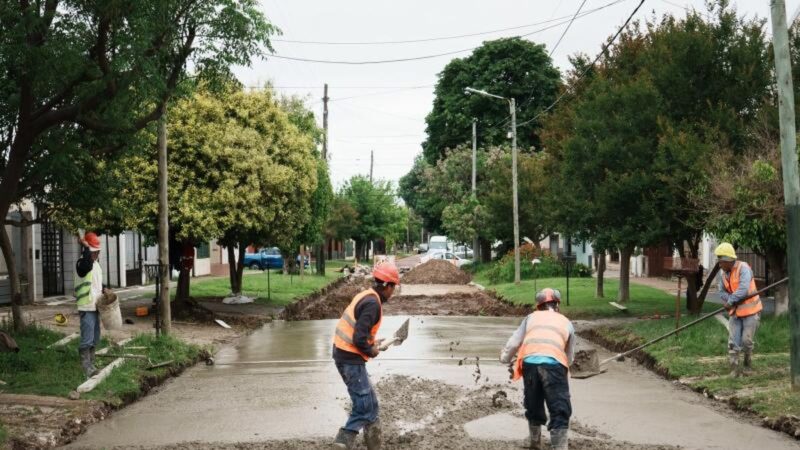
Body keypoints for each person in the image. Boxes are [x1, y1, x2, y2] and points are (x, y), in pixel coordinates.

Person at [331, 262, 400, 450]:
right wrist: (372, 350)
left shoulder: (367, 296)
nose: (393, 292)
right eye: (393, 287)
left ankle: (374, 445)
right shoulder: (372, 304)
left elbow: (361, 333)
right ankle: (343, 441)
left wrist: (374, 343)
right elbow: (359, 339)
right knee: (363, 406)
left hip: (345, 354)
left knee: (371, 403)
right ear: (387, 286)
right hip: (350, 359)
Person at [500, 288, 575, 450]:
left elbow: (514, 343)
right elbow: (569, 356)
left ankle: (535, 443)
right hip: (555, 365)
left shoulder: (530, 318)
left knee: (533, 403)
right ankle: (559, 447)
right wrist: (567, 366)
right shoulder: (566, 322)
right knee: (559, 407)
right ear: (557, 305)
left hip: (530, 364)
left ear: (538, 306)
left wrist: (504, 358)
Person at [715, 242, 762, 377]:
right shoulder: (723, 274)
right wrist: (730, 300)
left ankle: (747, 365)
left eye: (721, 262)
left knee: (746, 341)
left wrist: (730, 301)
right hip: (735, 313)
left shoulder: (743, 268)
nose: (720, 265)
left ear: (728, 260)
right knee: (733, 341)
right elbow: (721, 292)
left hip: (751, 312)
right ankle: (734, 369)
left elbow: (743, 289)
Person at [75, 232, 111, 379]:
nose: (96, 254)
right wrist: (85, 247)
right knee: (87, 338)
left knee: (95, 338)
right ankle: (86, 368)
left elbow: (95, 282)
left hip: (95, 306)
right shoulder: (82, 263)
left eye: (97, 251)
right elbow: (86, 267)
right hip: (86, 306)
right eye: (93, 251)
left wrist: (105, 288)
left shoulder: (95, 264)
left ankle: (92, 365)